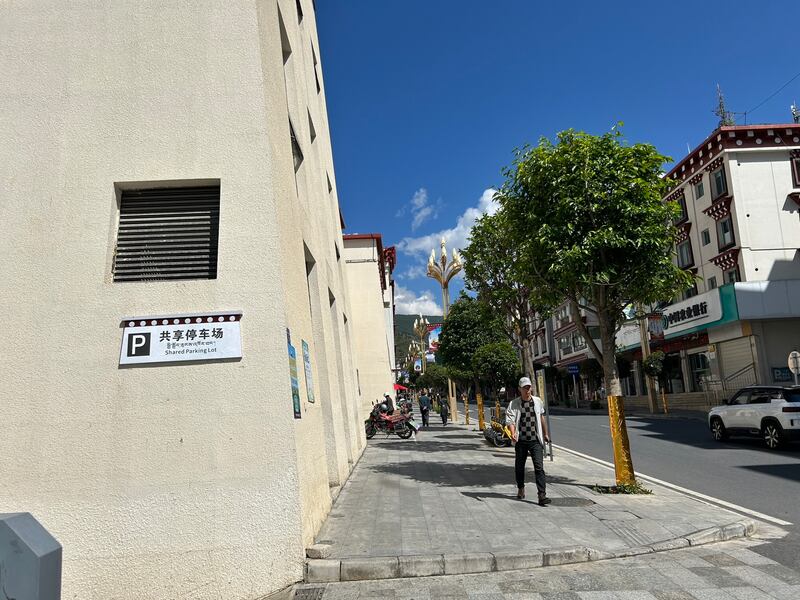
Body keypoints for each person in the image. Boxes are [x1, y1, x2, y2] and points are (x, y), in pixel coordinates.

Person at [505, 376, 551, 506]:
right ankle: (520, 487)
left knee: (539, 467)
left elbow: (541, 418)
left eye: (529, 387)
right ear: (520, 389)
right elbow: (511, 421)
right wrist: (513, 433)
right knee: (519, 467)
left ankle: (542, 495)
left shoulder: (537, 401)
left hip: (535, 440)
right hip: (521, 441)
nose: (527, 390)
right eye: (525, 388)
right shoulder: (514, 404)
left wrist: (545, 434)